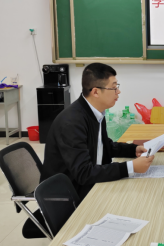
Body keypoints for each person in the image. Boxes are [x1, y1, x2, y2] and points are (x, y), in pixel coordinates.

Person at [41, 63, 154, 199]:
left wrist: (133, 150)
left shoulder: (96, 112)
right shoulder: (71, 122)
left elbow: (104, 145)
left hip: (89, 184)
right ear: (95, 92)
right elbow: (83, 173)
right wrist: (130, 167)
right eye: (114, 88)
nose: (118, 92)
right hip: (68, 195)